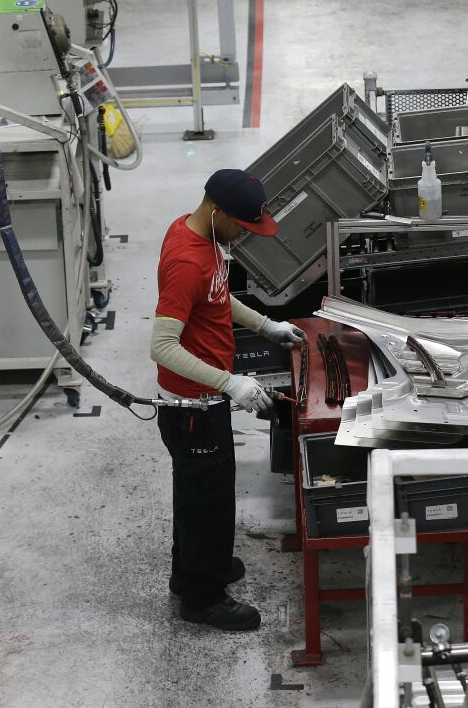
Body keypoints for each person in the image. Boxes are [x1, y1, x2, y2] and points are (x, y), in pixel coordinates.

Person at [150, 169, 307, 631]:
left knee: (205, 493)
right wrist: (229, 384)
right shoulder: (186, 261)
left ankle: (199, 569)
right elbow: (162, 347)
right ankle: (201, 598)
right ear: (217, 212)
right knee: (206, 500)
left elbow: (216, 299)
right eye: (242, 226)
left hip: (207, 399)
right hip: (193, 408)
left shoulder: (200, 233)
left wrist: (266, 325)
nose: (245, 235)